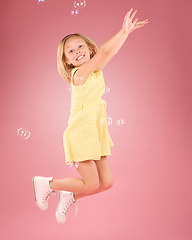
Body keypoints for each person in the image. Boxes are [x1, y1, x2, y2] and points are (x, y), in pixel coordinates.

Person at [32, 8, 149, 224]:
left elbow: (108, 54)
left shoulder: (94, 70)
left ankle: (69, 195)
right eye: (71, 51)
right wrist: (121, 30)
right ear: (67, 61)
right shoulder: (80, 74)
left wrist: (126, 33)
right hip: (81, 132)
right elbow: (105, 52)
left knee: (106, 183)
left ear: (89, 49)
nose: (77, 51)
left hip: (95, 132)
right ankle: (47, 184)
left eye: (80, 46)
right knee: (92, 184)